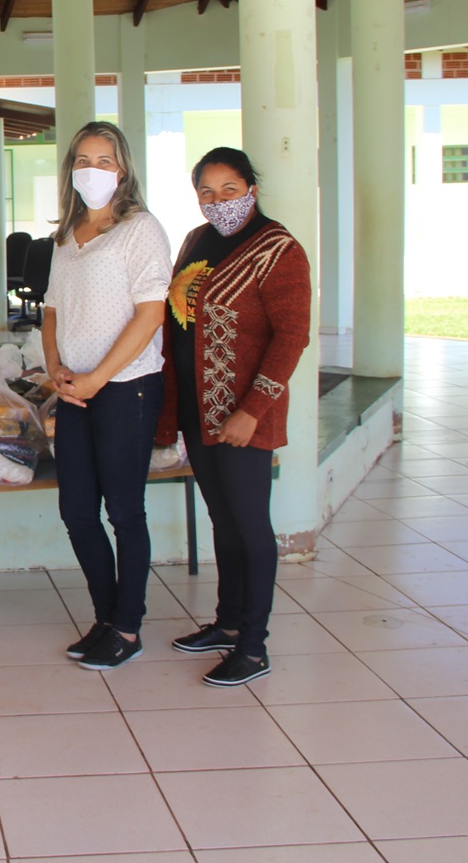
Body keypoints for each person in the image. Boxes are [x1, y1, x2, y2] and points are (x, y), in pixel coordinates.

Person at [156, 146, 311, 687]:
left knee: (249, 524)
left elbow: (292, 337)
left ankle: (254, 645)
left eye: (229, 190)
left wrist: (253, 410)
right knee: (223, 519)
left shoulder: (278, 249)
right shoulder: (196, 240)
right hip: (199, 411)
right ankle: (227, 623)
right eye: (207, 191)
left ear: (252, 189)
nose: (218, 201)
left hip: (243, 414)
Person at [41, 122, 172, 670]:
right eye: (83, 160)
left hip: (126, 388)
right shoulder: (67, 235)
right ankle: (105, 617)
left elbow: (151, 313)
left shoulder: (140, 229)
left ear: (123, 170)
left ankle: (128, 626)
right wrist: (55, 368)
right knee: (76, 510)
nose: (92, 170)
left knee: (123, 510)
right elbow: (51, 310)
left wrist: (98, 378)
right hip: (75, 391)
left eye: (104, 160)